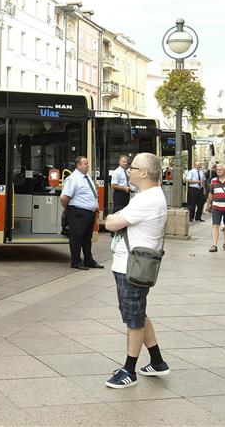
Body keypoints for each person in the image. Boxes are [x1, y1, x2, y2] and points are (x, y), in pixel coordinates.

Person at [104, 152, 169, 388]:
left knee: (134, 320)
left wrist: (114, 216)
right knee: (138, 314)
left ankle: (128, 370)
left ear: (144, 173)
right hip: (134, 265)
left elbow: (111, 223)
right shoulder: (148, 195)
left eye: (132, 167)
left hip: (132, 267)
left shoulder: (147, 199)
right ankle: (158, 362)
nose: (128, 169)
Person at [60, 156, 103, 270]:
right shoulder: (73, 178)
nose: (88, 165)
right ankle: (76, 261)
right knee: (76, 237)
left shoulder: (86, 176)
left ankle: (89, 261)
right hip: (78, 212)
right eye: (85, 164)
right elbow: (64, 197)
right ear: (78, 165)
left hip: (89, 213)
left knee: (87, 238)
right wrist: (68, 209)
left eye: (87, 163)